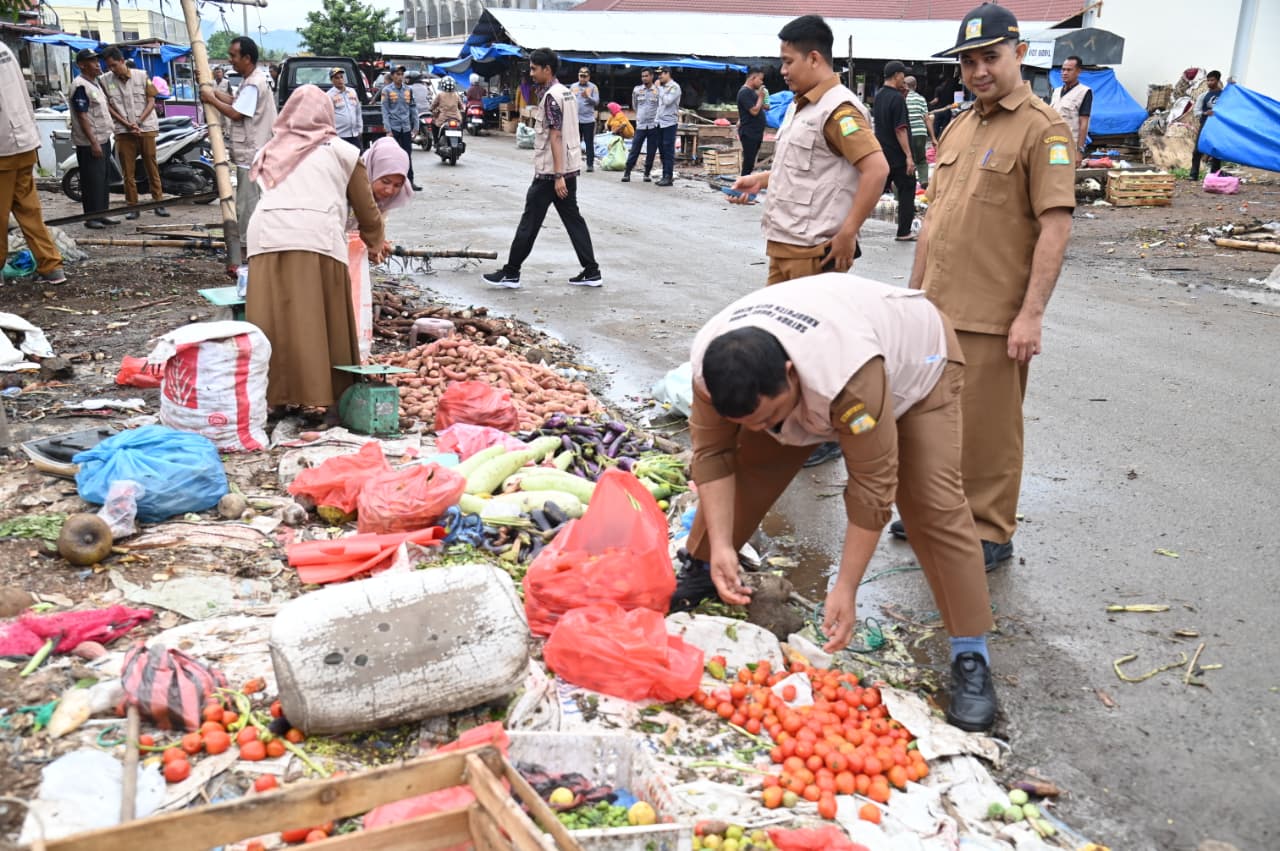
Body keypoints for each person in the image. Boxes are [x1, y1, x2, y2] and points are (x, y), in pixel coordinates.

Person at [677, 273, 1000, 732]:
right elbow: (713, 455)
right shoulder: (711, 367)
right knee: (753, 460)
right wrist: (723, 545)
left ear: (789, 375)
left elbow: (872, 485)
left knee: (932, 504)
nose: (760, 426)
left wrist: (845, 587)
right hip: (830, 340)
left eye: (767, 416)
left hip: (916, 360)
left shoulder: (848, 382)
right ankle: (703, 567)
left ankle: (971, 653)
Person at [896, 2, 1075, 571]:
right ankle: (934, 511)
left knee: (990, 432)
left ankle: (989, 528)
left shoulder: (1043, 129)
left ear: (1019, 54)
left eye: (990, 58)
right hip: (938, 305)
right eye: (969, 61)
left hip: (995, 314)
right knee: (931, 423)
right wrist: (911, 296)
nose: (978, 71)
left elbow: (1056, 224)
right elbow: (934, 219)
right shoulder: (959, 125)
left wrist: (1031, 315)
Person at [245, 85, 387, 418]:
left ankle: (273, 399)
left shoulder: (269, 150)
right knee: (319, 320)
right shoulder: (342, 151)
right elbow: (366, 209)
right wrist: (375, 240)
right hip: (316, 235)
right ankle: (323, 397)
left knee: (272, 320)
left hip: (265, 236)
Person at [482, 47, 601, 290]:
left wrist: (557, 176)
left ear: (547, 69)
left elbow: (555, 136)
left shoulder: (551, 97)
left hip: (551, 174)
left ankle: (511, 272)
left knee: (530, 222)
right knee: (573, 219)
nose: (531, 73)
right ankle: (591, 271)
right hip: (569, 168)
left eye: (535, 69)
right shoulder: (567, 92)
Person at [200, 36, 277, 256]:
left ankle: (246, 247)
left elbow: (235, 112)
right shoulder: (251, 80)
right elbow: (236, 102)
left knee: (247, 204)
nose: (230, 60)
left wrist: (211, 99)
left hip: (251, 153)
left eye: (233, 55)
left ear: (247, 58)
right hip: (256, 150)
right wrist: (213, 92)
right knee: (251, 201)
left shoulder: (253, 83)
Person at [0, 41, 66, 284]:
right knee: (29, 211)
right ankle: (51, 267)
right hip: (23, 140)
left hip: (3, 147)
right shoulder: (5, 49)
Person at [100, 47, 167, 219]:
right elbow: (108, 106)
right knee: (127, 172)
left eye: (114, 65)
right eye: (109, 67)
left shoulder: (142, 76)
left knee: (151, 166)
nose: (112, 69)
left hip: (146, 127)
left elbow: (151, 101)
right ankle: (132, 206)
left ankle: (158, 203)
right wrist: (127, 124)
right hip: (123, 130)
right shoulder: (105, 81)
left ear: (122, 61)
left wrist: (138, 122)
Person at [69, 48, 116, 230]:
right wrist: (94, 143)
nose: (98, 64)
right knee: (92, 181)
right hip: (90, 142)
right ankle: (91, 217)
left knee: (103, 180)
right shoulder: (80, 85)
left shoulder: (94, 83)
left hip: (103, 138)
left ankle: (102, 214)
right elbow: (82, 116)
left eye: (97, 60)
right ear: (82, 65)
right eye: (92, 61)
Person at [874, 61, 917, 241]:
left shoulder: (880, 96)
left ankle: (849, 225)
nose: (904, 79)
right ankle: (904, 231)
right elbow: (900, 129)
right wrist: (908, 156)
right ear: (897, 75)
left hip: (882, 152)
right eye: (902, 75)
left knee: (874, 192)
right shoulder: (897, 98)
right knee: (907, 188)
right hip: (897, 155)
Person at [380, 66, 421, 191]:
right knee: (392, 157)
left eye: (401, 74)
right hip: (394, 128)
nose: (400, 76)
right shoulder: (386, 90)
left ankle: (410, 182)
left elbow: (413, 108)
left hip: (406, 128)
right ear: (392, 76)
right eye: (397, 74)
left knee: (407, 155)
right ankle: (391, 183)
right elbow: (385, 110)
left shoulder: (408, 90)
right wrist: (388, 130)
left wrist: (416, 126)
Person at [1049, 56, 1091, 163]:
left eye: (1069, 70)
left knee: (1065, 177)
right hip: (1053, 143)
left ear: (1078, 72)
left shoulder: (1084, 92)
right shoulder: (1056, 92)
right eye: (1063, 69)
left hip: (1070, 145)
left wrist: (1079, 150)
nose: (1065, 73)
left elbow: (1084, 123)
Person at [622, 68, 660, 182]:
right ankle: (627, 172)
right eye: (643, 76)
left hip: (653, 125)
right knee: (635, 149)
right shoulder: (637, 90)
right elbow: (635, 105)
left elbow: (660, 106)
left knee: (651, 150)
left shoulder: (658, 90)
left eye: (646, 76)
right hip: (641, 125)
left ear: (652, 76)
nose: (644, 78)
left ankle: (647, 173)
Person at [1190, 70, 1224, 181]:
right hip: (1205, 125)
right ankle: (1193, 174)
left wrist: (1232, 85)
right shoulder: (1203, 96)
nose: (1209, 82)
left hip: (1219, 127)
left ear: (1218, 81)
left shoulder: (1225, 95)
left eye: (1212, 80)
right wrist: (1205, 113)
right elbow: (1196, 111)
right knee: (1197, 150)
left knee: (1216, 152)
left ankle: (1214, 176)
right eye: (1208, 80)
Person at [736, 67, 767, 176]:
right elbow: (754, 111)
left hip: (755, 132)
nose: (761, 82)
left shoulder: (752, 92)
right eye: (760, 79)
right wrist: (760, 98)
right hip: (749, 132)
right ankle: (742, 184)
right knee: (748, 162)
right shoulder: (744, 92)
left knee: (751, 160)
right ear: (753, 78)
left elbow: (761, 107)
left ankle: (746, 183)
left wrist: (763, 100)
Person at [653, 67, 681, 186]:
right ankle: (664, 175)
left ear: (668, 74)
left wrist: (659, 88)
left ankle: (668, 176)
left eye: (661, 74)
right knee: (662, 150)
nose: (659, 77)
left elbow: (668, 101)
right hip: (659, 122)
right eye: (658, 74)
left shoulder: (674, 87)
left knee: (668, 150)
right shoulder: (663, 88)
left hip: (669, 123)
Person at [570, 68, 600, 173]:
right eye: (581, 76)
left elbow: (596, 102)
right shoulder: (573, 87)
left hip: (588, 120)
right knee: (575, 143)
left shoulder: (593, 87)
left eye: (585, 76)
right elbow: (569, 100)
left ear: (588, 77)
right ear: (578, 76)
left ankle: (590, 164)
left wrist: (588, 97)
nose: (582, 78)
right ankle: (575, 165)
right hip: (575, 119)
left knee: (589, 143)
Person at [904, 75, 931, 187]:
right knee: (921, 159)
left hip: (908, 133)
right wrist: (933, 137)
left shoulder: (903, 98)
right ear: (915, 86)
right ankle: (924, 180)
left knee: (909, 158)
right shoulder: (921, 98)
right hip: (921, 132)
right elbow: (926, 118)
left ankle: (910, 182)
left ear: (905, 85)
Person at [329, 67, 363, 150]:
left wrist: (360, 128)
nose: (340, 80)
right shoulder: (329, 95)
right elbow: (328, 117)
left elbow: (358, 111)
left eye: (341, 77)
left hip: (354, 134)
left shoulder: (352, 92)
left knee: (358, 159)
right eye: (336, 78)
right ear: (331, 80)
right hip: (339, 136)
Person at [430, 76, 463, 142]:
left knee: (433, 123)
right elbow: (461, 107)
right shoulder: (456, 95)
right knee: (460, 127)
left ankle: (436, 141)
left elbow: (433, 105)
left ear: (443, 85)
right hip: (456, 118)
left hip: (443, 119)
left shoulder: (440, 95)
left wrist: (431, 109)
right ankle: (460, 140)